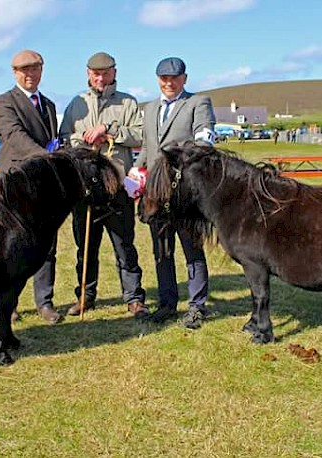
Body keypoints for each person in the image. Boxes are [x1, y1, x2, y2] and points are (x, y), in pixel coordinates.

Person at [59, 51, 148, 319]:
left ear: (114, 73)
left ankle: (134, 298)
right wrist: (84, 139)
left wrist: (111, 131)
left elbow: (141, 133)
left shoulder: (128, 102)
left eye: (106, 73)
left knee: (125, 246)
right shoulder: (76, 104)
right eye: (96, 73)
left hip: (117, 186)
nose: (101, 77)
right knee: (85, 247)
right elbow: (64, 137)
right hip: (85, 187)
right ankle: (85, 296)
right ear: (88, 74)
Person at [132, 57, 215, 329]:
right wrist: (135, 170)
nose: (169, 83)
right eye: (164, 78)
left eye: (174, 78)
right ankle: (167, 304)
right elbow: (148, 146)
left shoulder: (197, 103)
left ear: (184, 79)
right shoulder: (150, 107)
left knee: (192, 251)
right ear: (157, 79)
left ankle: (197, 306)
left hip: (185, 193)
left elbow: (204, 140)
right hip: (155, 195)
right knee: (162, 251)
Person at [0, 49, 63, 324]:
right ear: (14, 73)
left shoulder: (50, 105)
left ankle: (44, 302)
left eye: (34, 68)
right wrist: (47, 157)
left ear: (42, 70)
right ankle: (9, 304)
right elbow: (14, 136)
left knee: (47, 246)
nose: (30, 74)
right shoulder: (3, 102)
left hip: (45, 186)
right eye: (24, 70)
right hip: (16, 185)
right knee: (12, 248)